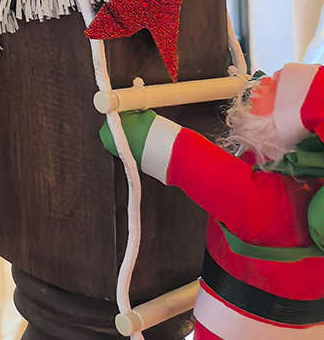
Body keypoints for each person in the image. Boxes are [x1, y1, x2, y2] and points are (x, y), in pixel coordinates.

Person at [101, 64, 324, 338]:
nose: (262, 83)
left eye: (277, 84)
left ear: (290, 121)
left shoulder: (267, 201)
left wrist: (133, 130)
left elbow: (173, 153)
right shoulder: (310, 182)